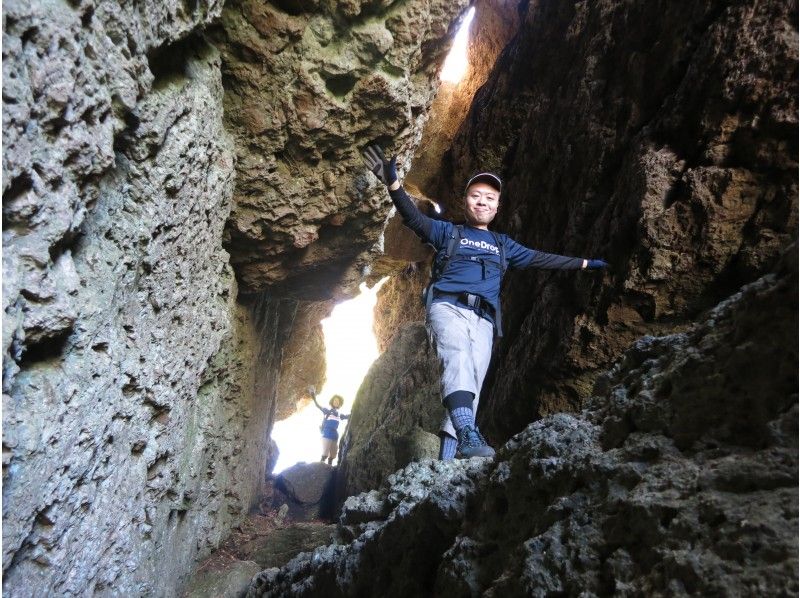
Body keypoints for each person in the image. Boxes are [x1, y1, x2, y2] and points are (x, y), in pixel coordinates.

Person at [362, 145, 608, 459]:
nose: (483, 201)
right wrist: (393, 184)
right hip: (447, 307)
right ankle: (468, 436)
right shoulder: (447, 232)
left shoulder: (504, 245)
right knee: (458, 359)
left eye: (490, 198)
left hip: (484, 321)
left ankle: (448, 460)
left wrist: (586, 263)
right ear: (465, 201)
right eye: (476, 195)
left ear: (497, 207)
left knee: (472, 385)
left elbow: (542, 259)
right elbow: (413, 218)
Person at [309, 387, 349, 465]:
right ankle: (320, 467)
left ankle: (329, 466)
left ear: (340, 404)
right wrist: (313, 396)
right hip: (327, 434)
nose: (336, 402)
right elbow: (318, 406)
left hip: (335, 435)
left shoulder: (339, 415)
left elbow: (347, 416)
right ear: (332, 402)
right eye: (335, 400)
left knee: (333, 454)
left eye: (338, 401)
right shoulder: (327, 411)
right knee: (325, 454)